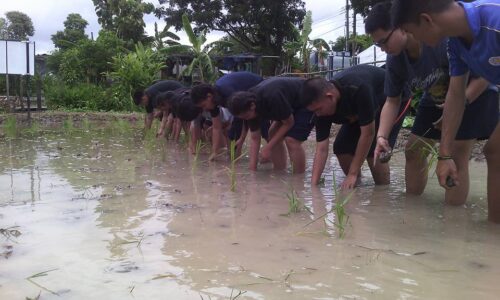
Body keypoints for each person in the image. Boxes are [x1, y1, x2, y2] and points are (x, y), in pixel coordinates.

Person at [365, 2, 498, 205]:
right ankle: (412, 211)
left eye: (384, 41)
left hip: (475, 92)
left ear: (401, 26)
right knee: (413, 149)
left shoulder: (444, 37)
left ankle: (453, 221)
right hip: (438, 96)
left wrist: (462, 103)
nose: (383, 49)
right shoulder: (398, 59)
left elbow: (483, 76)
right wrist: (382, 136)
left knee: (459, 152)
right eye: (378, 45)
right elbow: (393, 100)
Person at [301, 65, 405, 189]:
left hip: (392, 101)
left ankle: (383, 193)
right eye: (314, 111)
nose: (317, 114)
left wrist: (352, 173)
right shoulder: (322, 109)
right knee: (341, 147)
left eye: (318, 109)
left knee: (374, 150)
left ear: (330, 97)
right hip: (361, 111)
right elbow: (322, 149)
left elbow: (368, 134)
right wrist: (314, 186)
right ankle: (357, 184)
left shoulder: (358, 88)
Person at [227, 77, 314, 173]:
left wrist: (268, 147)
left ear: (252, 106)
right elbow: (255, 138)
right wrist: (252, 171)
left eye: (246, 116)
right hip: (288, 103)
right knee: (272, 134)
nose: (246, 119)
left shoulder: (271, 97)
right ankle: (280, 171)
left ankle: (298, 180)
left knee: (292, 140)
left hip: (307, 99)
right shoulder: (249, 106)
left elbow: (289, 122)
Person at [191, 72, 263, 160]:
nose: (204, 109)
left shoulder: (227, 93)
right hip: (243, 97)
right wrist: (214, 152)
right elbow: (217, 128)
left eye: (203, 105)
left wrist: (241, 137)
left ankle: (237, 159)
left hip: (258, 87)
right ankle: (234, 158)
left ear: (209, 96)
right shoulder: (213, 101)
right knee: (232, 132)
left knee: (262, 129)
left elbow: (241, 118)